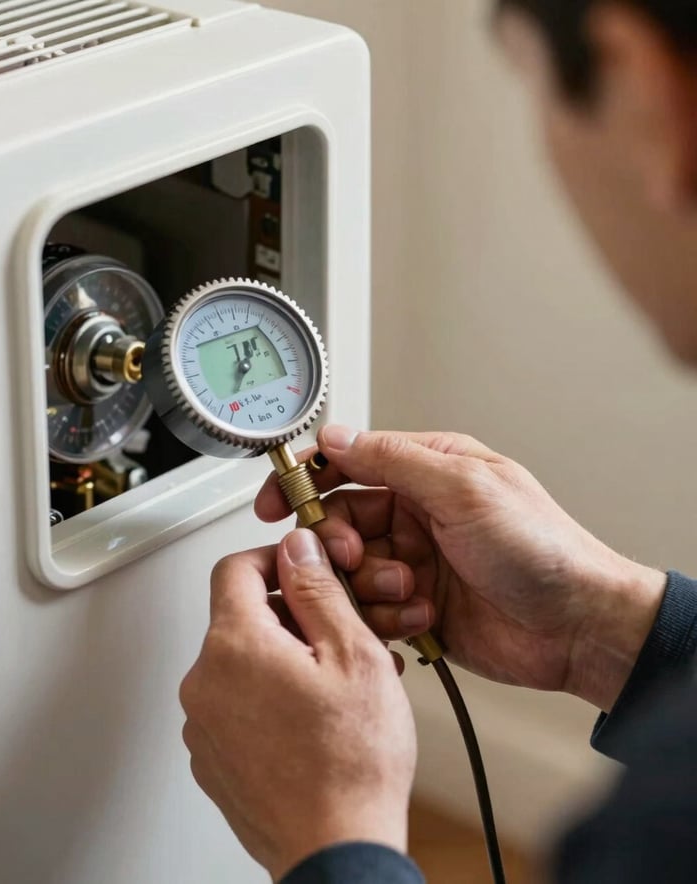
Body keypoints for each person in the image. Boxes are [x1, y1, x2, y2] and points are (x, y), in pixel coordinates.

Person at [179, 2, 697, 881]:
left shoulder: (653, 827)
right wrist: (602, 630)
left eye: (529, 82)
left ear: (643, 87)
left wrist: (332, 837)